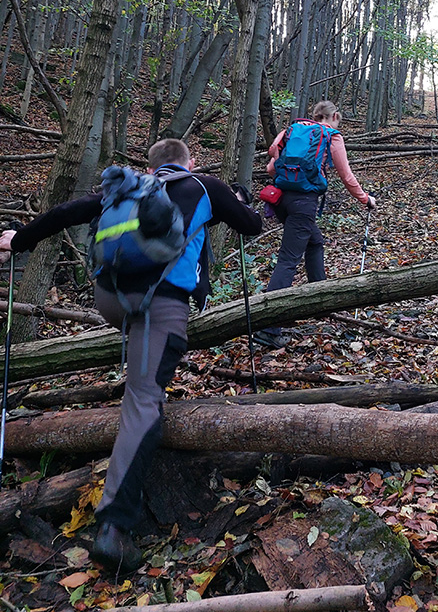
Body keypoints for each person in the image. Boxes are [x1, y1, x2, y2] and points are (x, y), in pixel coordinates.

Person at [0, 138, 262, 574]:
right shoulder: (205, 185)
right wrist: (236, 200)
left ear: (151, 166)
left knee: (142, 353)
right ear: (188, 162)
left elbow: (65, 212)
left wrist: (18, 239)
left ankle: (140, 353)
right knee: (143, 401)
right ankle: (114, 528)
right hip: (162, 301)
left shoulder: (127, 188)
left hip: (110, 300)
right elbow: (251, 225)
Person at [257, 100, 375, 350]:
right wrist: (365, 199)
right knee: (288, 260)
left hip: (281, 200)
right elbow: (346, 175)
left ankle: (320, 298)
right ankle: (267, 328)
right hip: (304, 204)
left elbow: (270, 168)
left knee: (315, 242)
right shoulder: (331, 136)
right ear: (335, 116)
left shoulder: (290, 131)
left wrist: (290, 179)